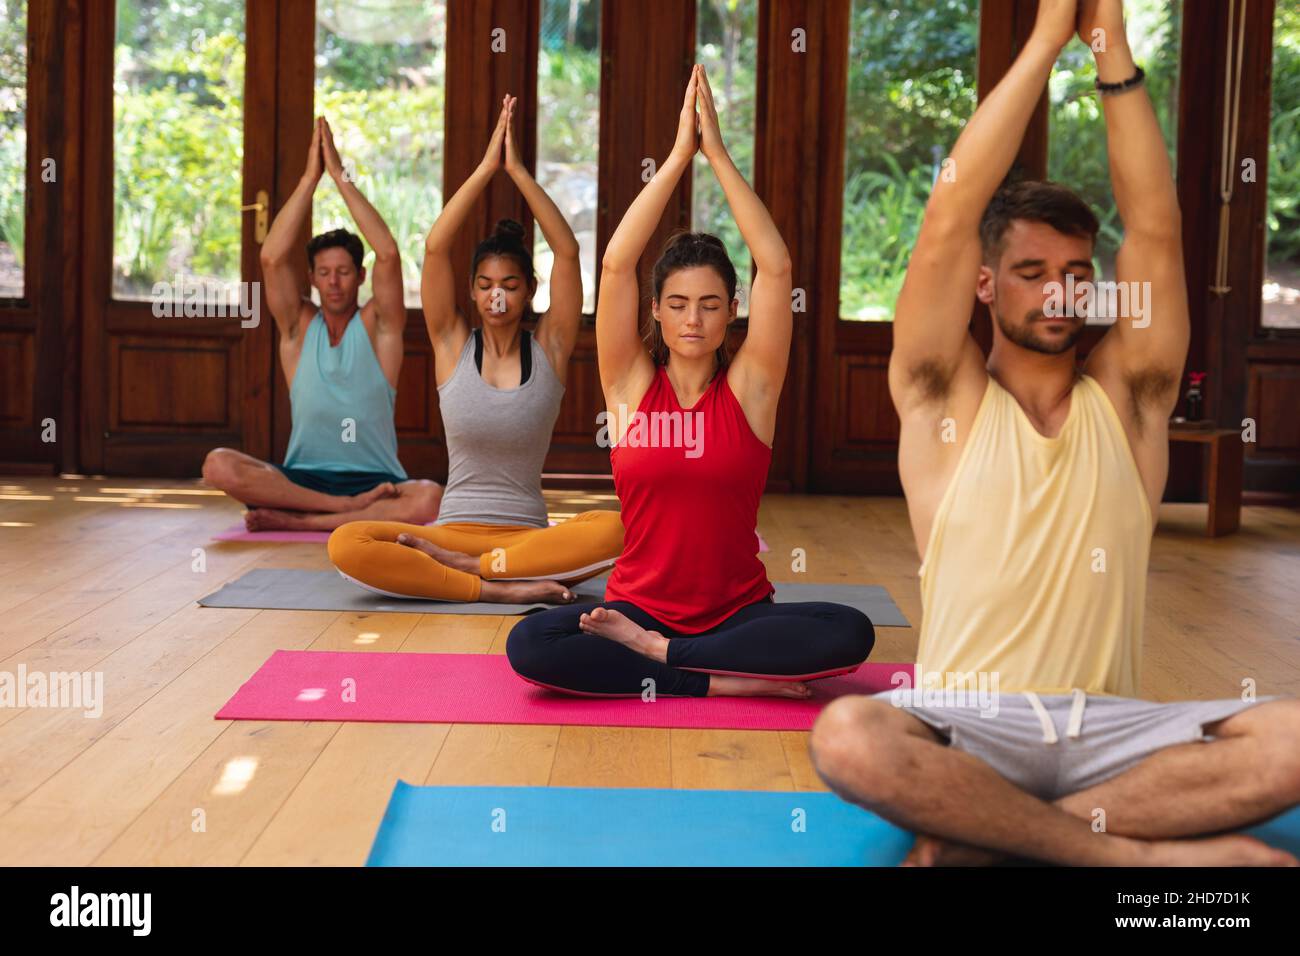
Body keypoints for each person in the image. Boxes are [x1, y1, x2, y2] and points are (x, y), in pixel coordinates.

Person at [809, 0, 1300, 866]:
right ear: (988, 286)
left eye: (1077, 274)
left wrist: (1106, 40)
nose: (1060, 292)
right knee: (850, 734)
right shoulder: (940, 398)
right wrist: (1044, 41)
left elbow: (1155, 228)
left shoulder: (1133, 399)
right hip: (966, 719)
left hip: (1110, 724)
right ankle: (1126, 855)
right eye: (1031, 273)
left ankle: (996, 840)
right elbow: (948, 220)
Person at [504, 66, 875, 698]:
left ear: (732, 308)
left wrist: (720, 156)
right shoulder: (627, 387)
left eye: (709, 303)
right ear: (655, 310)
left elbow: (776, 265)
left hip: (736, 612)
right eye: (676, 303)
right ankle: (722, 679)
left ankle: (670, 661)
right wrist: (678, 157)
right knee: (530, 644)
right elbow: (617, 264)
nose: (693, 318)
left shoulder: (752, 389)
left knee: (849, 631)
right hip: (635, 610)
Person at [328, 96, 623, 605]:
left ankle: (473, 574)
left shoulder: (549, 348)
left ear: (528, 289)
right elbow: (436, 248)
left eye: (509, 284)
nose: (497, 295)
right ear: (471, 290)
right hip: (451, 532)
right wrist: (487, 168)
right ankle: (490, 587)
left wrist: (519, 173)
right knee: (347, 542)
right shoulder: (450, 346)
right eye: (485, 284)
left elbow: (569, 252)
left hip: (530, 540)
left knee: (618, 528)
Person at [202, 117, 442, 531]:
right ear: (310, 278)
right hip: (303, 480)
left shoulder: (380, 327)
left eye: (345, 272)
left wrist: (339, 175)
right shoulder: (296, 329)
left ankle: (308, 522)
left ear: (361, 277)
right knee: (217, 464)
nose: (334, 282)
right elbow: (271, 259)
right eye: (324, 272)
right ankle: (338, 509)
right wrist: (310, 179)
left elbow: (387, 253)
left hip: (376, 481)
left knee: (430, 499)